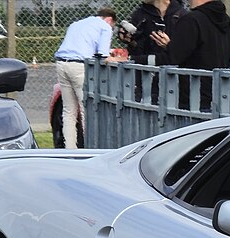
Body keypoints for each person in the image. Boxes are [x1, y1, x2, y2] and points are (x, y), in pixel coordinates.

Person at [53, 9, 122, 150]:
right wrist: (119, 59)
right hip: (79, 67)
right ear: (110, 19)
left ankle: (70, 150)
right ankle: (89, 147)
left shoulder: (77, 24)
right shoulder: (105, 27)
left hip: (61, 63)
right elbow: (103, 56)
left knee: (69, 111)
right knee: (86, 109)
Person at [150, 0, 230, 112]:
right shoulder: (224, 21)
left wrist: (133, 59)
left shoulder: (191, 20)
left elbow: (172, 58)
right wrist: (172, 47)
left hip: (192, 99)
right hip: (219, 96)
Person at [120, 0, 188, 103]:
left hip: (175, 84)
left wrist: (169, 46)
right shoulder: (140, 14)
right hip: (146, 83)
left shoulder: (183, 16)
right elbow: (137, 51)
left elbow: (184, 54)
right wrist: (130, 41)